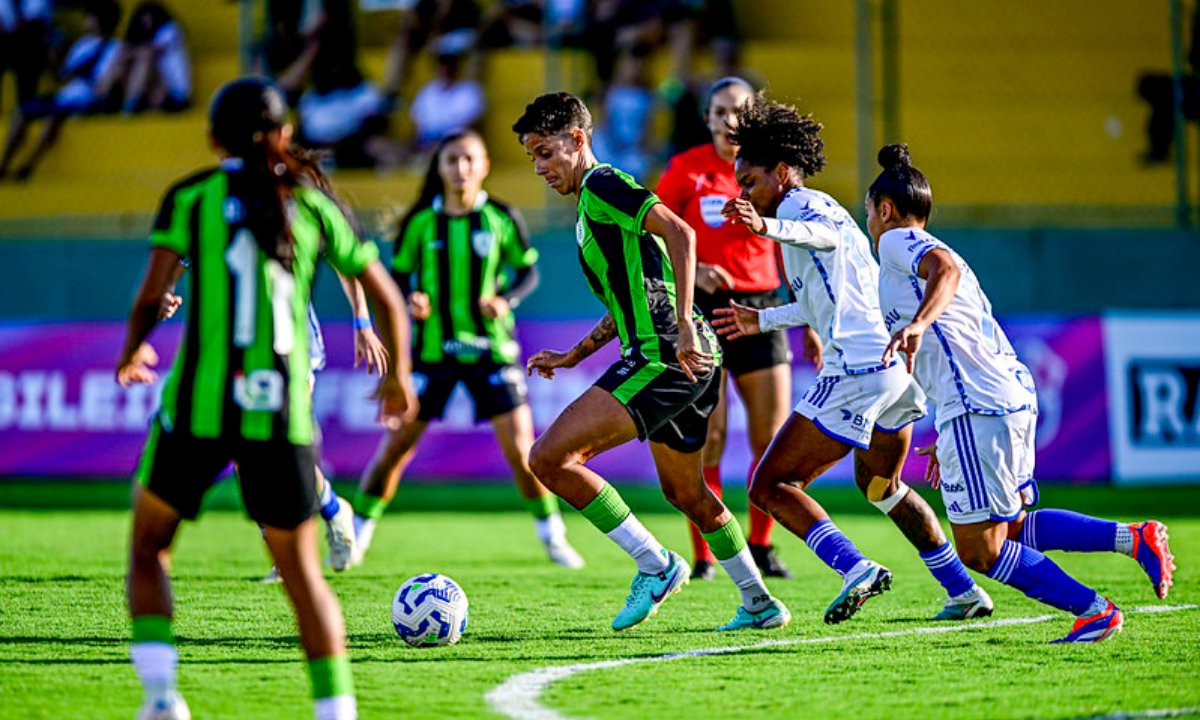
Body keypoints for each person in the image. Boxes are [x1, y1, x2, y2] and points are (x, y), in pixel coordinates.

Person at [115, 77, 415, 720]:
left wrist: (132, 350)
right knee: (303, 578)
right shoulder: (312, 203)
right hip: (279, 411)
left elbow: (150, 295)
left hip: (197, 408)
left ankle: (161, 698)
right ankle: (336, 710)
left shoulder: (191, 197)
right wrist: (401, 379)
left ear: (212, 137)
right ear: (284, 134)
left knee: (147, 548)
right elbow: (388, 296)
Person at [867, 143, 1176, 642]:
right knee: (1010, 527)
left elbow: (943, 270)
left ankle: (1094, 610)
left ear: (885, 210)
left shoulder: (897, 242)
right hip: (999, 397)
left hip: (979, 405)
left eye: (868, 212)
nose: (869, 223)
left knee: (980, 550)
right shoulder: (940, 255)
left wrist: (919, 325)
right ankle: (1134, 538)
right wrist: (951, 430)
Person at [513, 91, 789, 632]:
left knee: (548, 458)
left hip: (665, 352)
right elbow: (629, 298)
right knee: (686, 492)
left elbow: (681, 232)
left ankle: (655, 564)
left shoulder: (602, 184)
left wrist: (683, 321)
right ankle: (759, 601)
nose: (540, 167)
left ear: (578, 139)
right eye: (531, 158)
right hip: (686, 354)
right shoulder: (593, 203)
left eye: (546, 152)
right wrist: (574, 354)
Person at [715, 94, 993, 624]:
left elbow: (818, 236)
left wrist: (766, 227)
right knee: (882, 487)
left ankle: (855, 568)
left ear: (781, 173)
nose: (743, 194)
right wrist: (762, 319)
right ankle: (963, 590)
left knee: (770, 485)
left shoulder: (799, 208)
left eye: (749, 182)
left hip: (859, 368)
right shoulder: (815, 210)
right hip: (893, 371)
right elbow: (824, 299)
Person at [350, 129, 584, 570]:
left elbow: (527, 273)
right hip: (433, 353)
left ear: (485, 166)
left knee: (523, 452)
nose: (461, 168)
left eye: (469, 159)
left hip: (490, 350)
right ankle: (356, 535)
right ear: (439, 168)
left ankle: (553, 538)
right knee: (396, 448)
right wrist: (410, 298)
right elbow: (396, 278)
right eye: (452, 159)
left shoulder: (500, 217)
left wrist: (505, 300)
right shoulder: (421, 222)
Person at [655, 76, 800, 581]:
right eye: (719, 111)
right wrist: (694, 272)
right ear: (707, 118)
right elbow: (652, 235)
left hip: (763, 308)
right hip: (705, 311)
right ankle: (707, 553)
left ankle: (762, 546)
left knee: (772, 439)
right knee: (708, 437)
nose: (728, 120)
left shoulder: (774, 170)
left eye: (739, 110)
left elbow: (795, 241)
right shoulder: (686, 168)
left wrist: (810, 317)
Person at [0, 0, 123, 181]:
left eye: (90, 17)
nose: (86, 21)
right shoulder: (82, 44)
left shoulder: (116, 48)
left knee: (54, 117)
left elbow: (105, 84)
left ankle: (29, 164)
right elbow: (63, 76)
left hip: (85, 99)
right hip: (65, 97)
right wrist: (54, 59)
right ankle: (4, 163)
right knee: (22, 111)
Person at [120, 1, 192, 114]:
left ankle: (130, 104)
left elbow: (152, 52)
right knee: (122, 63)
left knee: (144, 61)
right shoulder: (142, 37)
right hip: (154, 86)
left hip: (175, 90)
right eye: (143, 21)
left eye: (150, 20)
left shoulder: (170, 30)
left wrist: (130, 53)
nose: (147, 24)